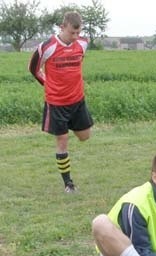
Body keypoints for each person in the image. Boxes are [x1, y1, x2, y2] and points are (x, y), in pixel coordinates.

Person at [29, 11, 93, 193]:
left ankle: (67, 126)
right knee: (62, 141)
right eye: (72, 33)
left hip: (77, 100)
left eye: (78, 33)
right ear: (62, 27)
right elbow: (33, 69)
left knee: (84, 137)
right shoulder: (47, 47)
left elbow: (78, 64)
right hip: (56, 103)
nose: (75, 37)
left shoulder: (83, 44)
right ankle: (68, 184)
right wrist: (47, 84)